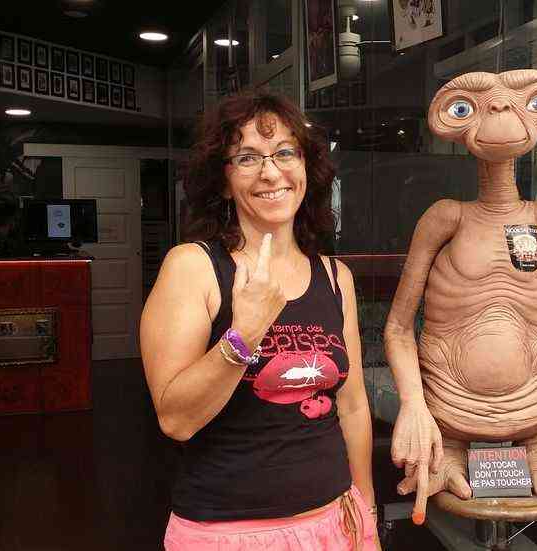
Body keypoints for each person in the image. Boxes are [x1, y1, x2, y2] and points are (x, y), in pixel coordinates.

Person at [140, 90, 378, 551]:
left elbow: (352, 407)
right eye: (247, 157)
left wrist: (366, 511)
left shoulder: (335, 277)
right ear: (223, 181)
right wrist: (244, 334)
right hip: (231, 534)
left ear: (306, 167)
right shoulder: (194, 268)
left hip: (335, 524)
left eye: (285, 152)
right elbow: (176, 419)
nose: (271, 172)